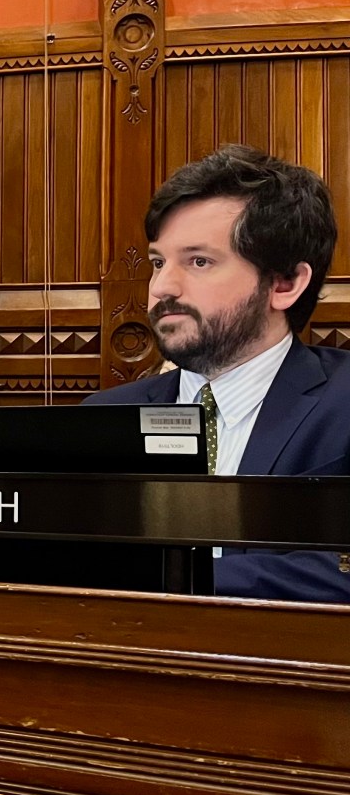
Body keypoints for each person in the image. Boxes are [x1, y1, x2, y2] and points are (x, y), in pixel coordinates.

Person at [85, 144, 348, 602]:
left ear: (285, 283)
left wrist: (171, 579)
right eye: (158, 262)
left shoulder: (343, 403)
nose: (162, 287)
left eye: (198, 261)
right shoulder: (103, 416)